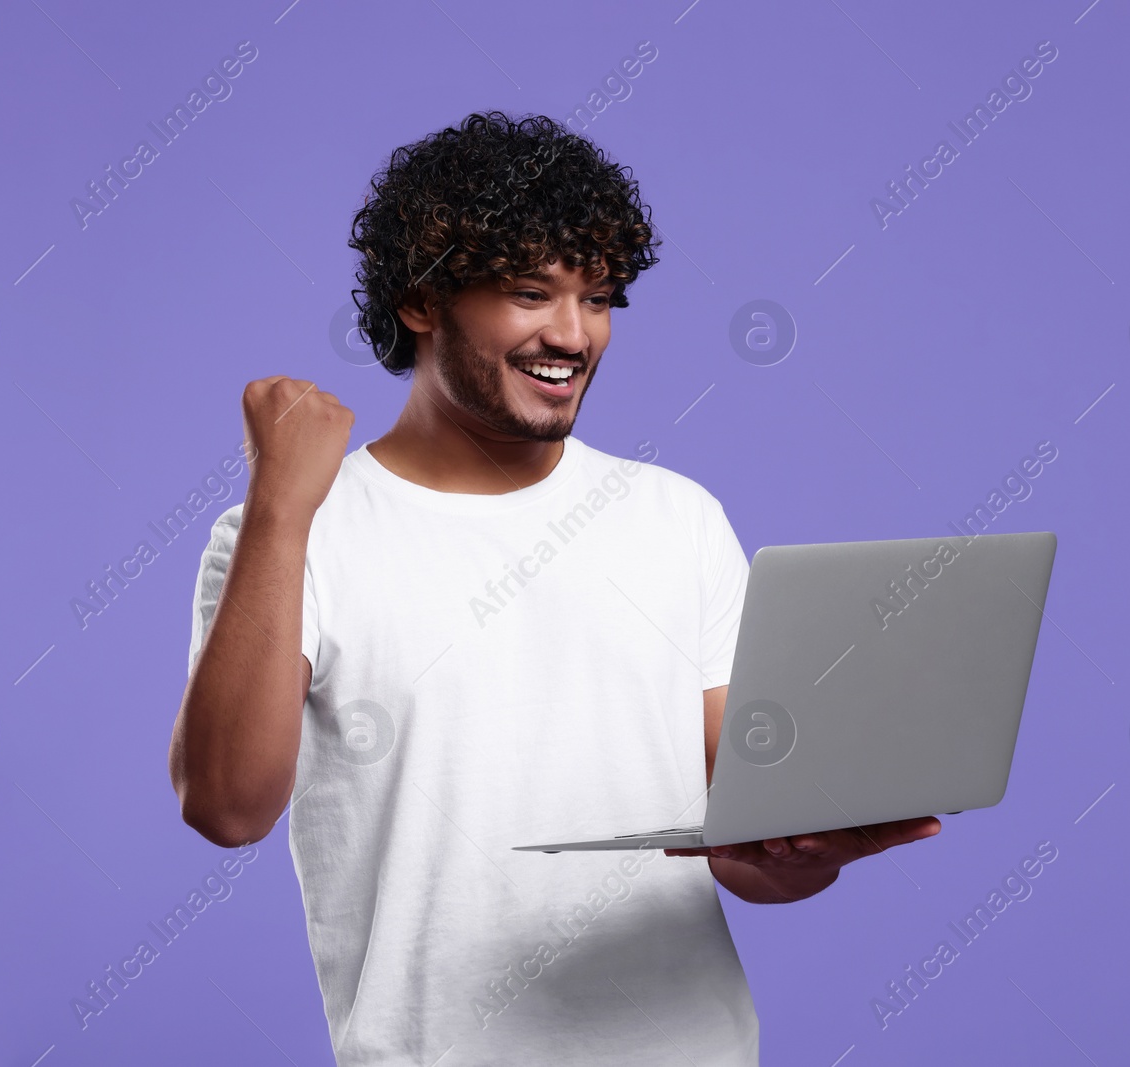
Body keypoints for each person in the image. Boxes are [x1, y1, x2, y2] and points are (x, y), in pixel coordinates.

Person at [169, 110, 941, 1066]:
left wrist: (807, 854)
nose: (573, 335)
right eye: (531, 292)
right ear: (422, 299)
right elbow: (226, 806)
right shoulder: (294, 532)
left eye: (600, 297)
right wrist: (280, 507)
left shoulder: (677, 517)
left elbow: (748, 852)